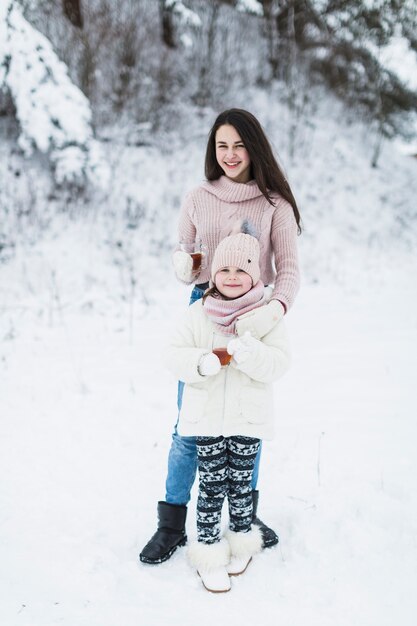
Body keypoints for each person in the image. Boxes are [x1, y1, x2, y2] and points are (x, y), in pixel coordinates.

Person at [139, 108, 301, 565]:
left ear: (254, 147)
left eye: (238, 144)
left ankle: (242, 518)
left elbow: (288, 270)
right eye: (221, 145)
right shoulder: (198, 197)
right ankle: (171, 523)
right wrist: (184, 263)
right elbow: (186, 252)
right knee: (189, 425)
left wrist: (274, 309)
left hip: (256, 313)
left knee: (246, 423)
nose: (230, 154)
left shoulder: (275, 206)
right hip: (203, 310)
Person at [164, 227, 291, 592]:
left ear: (256, 275)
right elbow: (172, 353)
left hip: (247, 417)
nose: (232, 278)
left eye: (242, 271)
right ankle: (206, 549)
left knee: (240, 483)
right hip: (207, 416)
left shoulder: (267, 316)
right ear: (214, 273)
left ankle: (241, 540)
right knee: (211, 484)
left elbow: (280, 363)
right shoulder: (198, 312)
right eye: (225, 271)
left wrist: (253, 356)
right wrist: (201, 362)